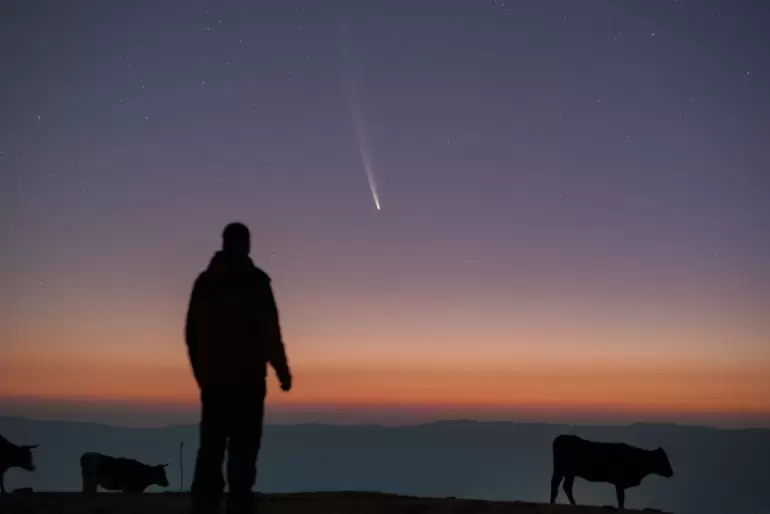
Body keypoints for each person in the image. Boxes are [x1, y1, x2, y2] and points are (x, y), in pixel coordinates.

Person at [185, 222, 292, 514]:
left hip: (215, 384)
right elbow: (271, 332)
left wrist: (202, 376)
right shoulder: (256, 282)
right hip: (248, 383)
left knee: (211, 448)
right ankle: (239, 503)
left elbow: (191, 336)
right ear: (246, 244)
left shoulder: (205, 282)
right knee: (243, 449)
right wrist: (282, 372)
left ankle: (204, 505)